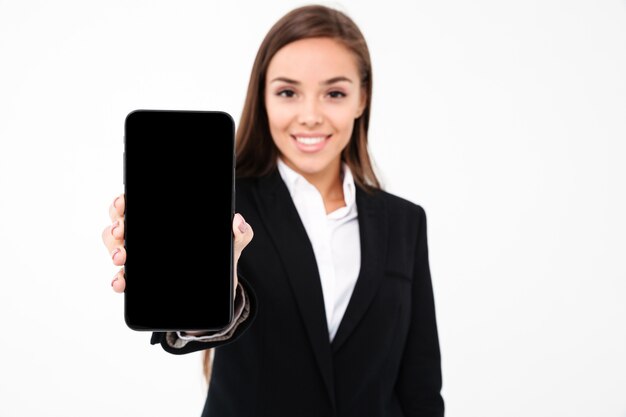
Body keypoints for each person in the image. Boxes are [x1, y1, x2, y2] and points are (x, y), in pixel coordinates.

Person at [102, 4, 444, 416]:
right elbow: (196, 328)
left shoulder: (405, 223)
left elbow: (421, 388)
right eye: (287, 92)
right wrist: (205, 295)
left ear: (362, 98)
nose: (311, 116)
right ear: (263, 96)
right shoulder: (224, 205)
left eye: (334, 93)